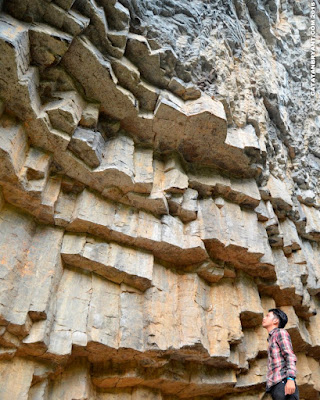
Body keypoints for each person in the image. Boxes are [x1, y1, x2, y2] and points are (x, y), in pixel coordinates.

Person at [262, 308, 299, 400]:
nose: (264, 318)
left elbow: (289, 355)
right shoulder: (271, 338)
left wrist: (290, 379)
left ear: (275, 320)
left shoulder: (280, 333)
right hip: (276, 385)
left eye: (267, 316)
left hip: (283, 383)